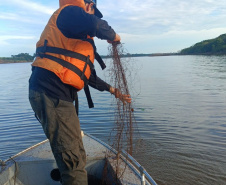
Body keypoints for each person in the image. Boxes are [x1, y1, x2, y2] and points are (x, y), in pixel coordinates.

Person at [28, 0, 131, 184]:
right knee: (72, 162)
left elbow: (89, 77)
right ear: (88, 4)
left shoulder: (76, 35)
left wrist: (115, 91)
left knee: (78, 154)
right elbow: (96, 24)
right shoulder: (69, 12)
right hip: (51, 93)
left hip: (60, 98)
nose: (92, 14)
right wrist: (114, 36)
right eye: (92, 10)